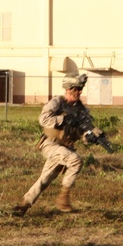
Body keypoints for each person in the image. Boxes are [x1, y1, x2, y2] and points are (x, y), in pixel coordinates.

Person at [13, 73, 103, 215]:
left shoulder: (82, 110)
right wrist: (64, 119)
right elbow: (43, 119)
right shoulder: (57, 103)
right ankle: (63, 198)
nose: (80, 92)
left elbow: (82, 133)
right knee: (75, 160)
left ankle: (23, 206)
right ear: (68, 89)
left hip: (66, 146)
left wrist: (89, 137)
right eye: (77, 89)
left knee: (45, 179)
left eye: (81, 89)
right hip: (51, 144)